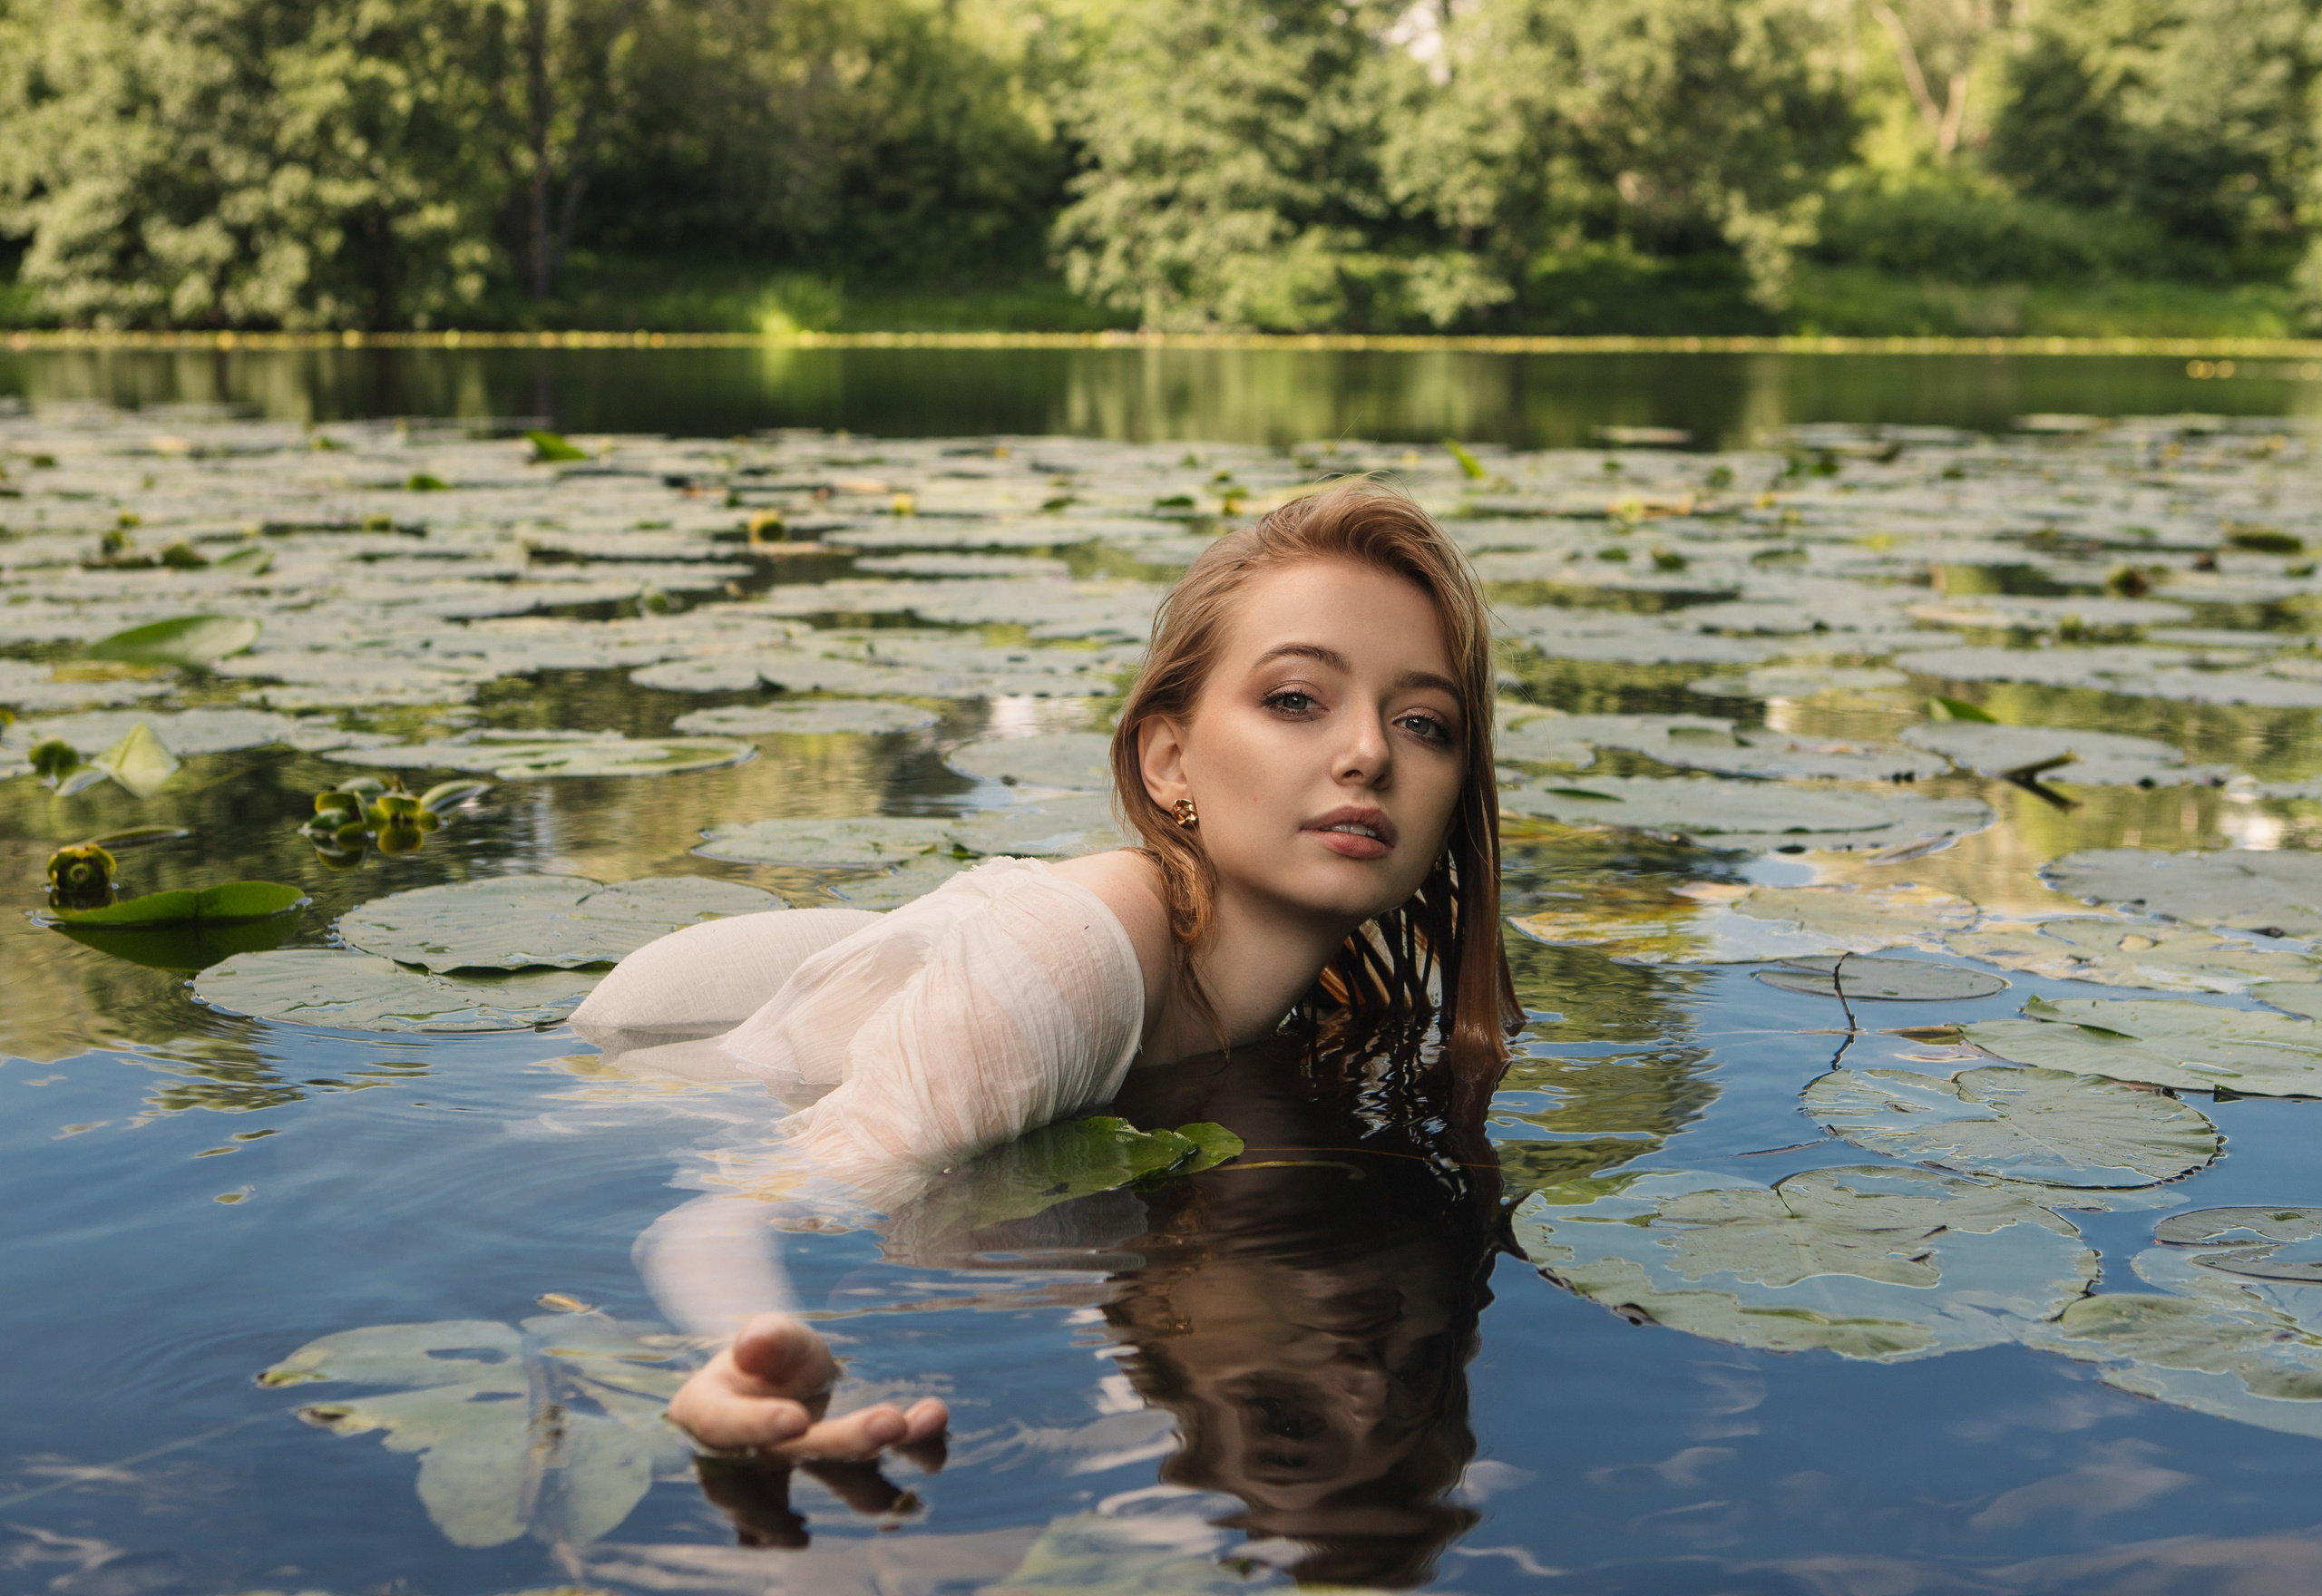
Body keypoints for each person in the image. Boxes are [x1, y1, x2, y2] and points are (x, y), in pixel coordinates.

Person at [570, 481, 1521, 1472]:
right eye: (1294, 700)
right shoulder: (1072, 960)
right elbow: (719, 1210)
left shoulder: (1297, 1008)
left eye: (1422, 722)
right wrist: (747, 1360)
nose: (1367, 752)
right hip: (640, 1126)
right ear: (1167, 760)